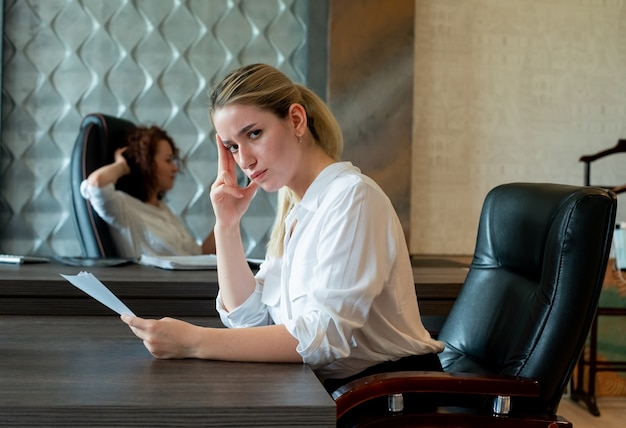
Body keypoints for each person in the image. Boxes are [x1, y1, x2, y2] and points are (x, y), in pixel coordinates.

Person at [121, 64, 444, 394]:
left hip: (387, 398)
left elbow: (323, 339)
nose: (244, 159)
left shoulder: (352, 198)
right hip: (328, 390)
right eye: (232, 146)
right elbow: (252, 321)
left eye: (254, 134)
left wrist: (195, 342)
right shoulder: (295, 209)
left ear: (296, 121)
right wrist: (227, 226)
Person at [81, 125, 216, 258]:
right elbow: (97, 183)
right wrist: (122, 166)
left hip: (189, 278)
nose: (175, 168)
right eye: (168, 160)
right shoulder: (122, 207)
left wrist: (225, 218)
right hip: (160, 280)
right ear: (145, 163)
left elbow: (199, 254)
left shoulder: (163, 210)